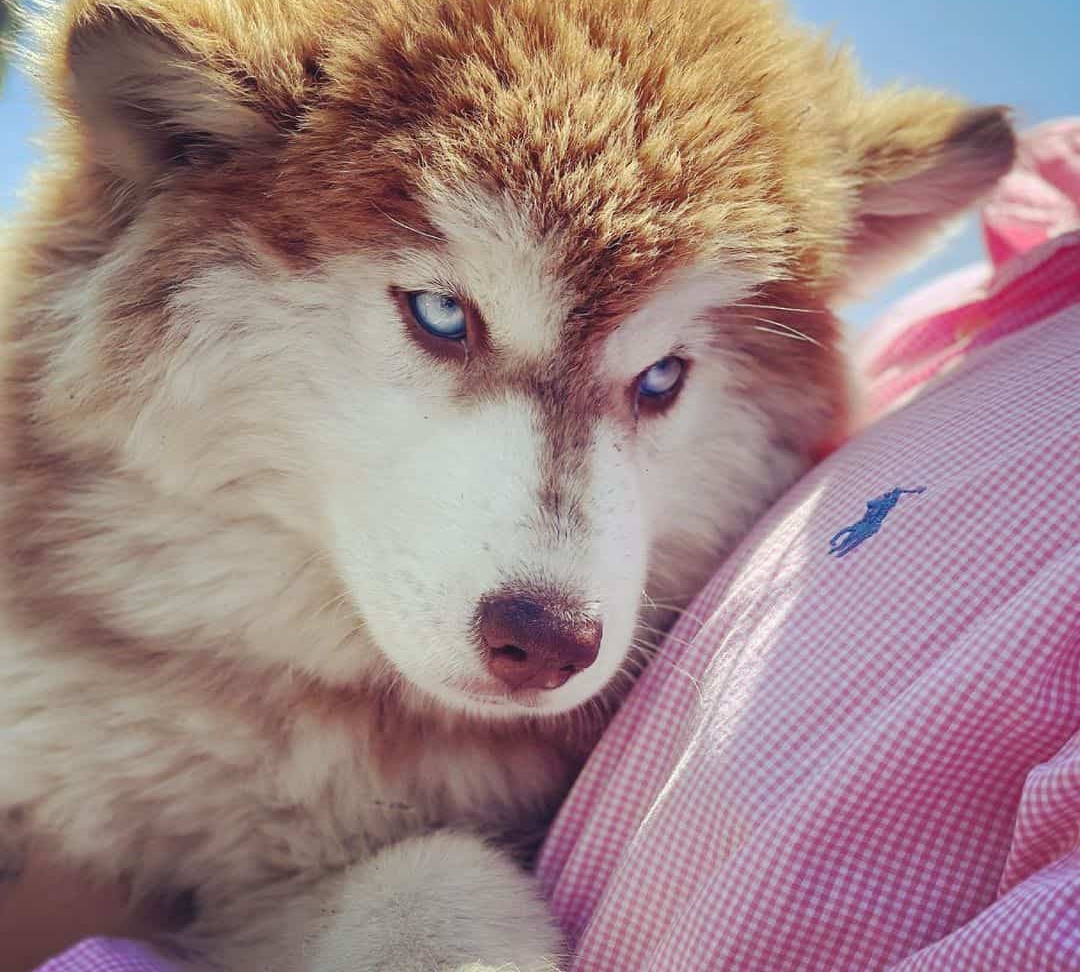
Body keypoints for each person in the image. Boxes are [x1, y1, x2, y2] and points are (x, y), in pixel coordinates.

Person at [30, 121, 1080, 970]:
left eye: (660, 380)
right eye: (442, 314)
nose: (556, 586)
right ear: (176, 131)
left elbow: (294, 900)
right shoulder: (989, 314)